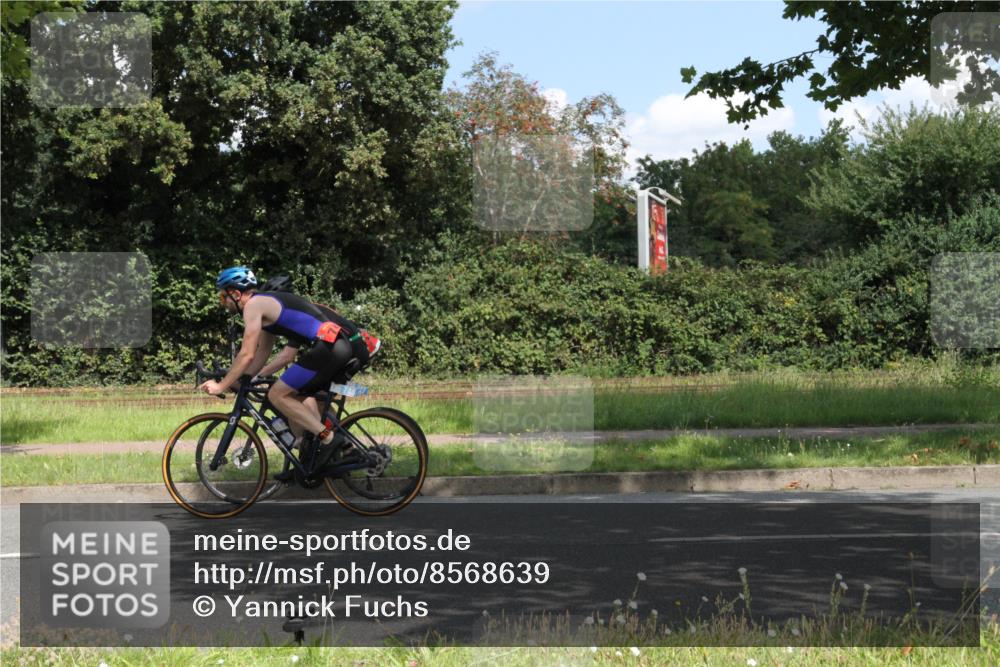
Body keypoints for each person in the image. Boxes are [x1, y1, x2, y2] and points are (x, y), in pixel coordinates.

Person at [200, 266, 380, 479]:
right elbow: (261, 353)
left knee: (277, 394)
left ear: (236, 293)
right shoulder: (264, 307)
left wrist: (221, 385)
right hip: (333, 346)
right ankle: (310, 458)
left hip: (331, 348)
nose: (224, 303)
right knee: (297, 397)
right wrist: (242, 380)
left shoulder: (253, 306)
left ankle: (330, 439)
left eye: (223, 297)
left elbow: (246, 354)